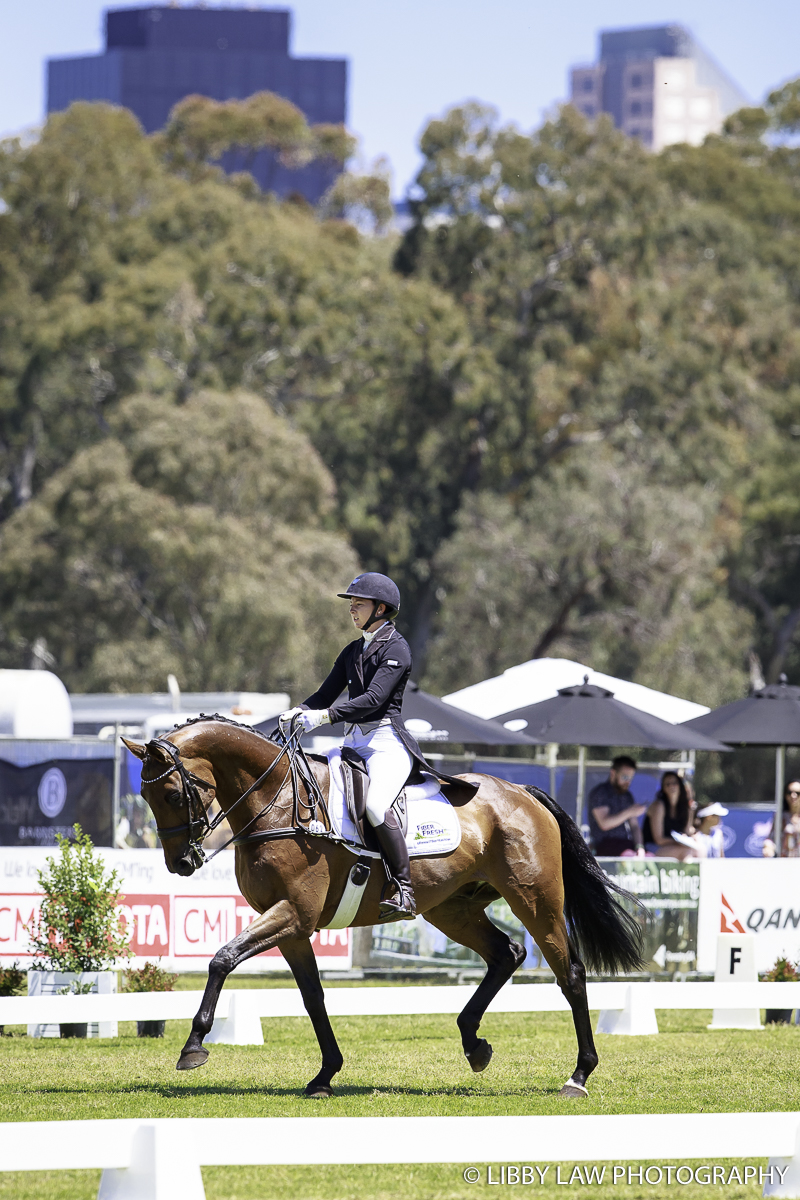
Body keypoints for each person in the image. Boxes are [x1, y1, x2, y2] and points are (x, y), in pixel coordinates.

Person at [279, 573, 476, 919]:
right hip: (354, 742)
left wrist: (322, 718)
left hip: (387, 742)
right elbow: (324, 695)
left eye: (359, 603)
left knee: (374, 804)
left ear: (381, 609)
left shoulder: (397, 648)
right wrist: (299, 711)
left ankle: (404, 888)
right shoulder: (354, 650)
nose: (352, 609)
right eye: (351, 603)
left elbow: (373, 699)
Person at [588, 755, 646, 857]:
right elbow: (604, 824)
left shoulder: (627, 796)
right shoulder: (600, 792)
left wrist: (640, 847)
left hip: (626, 844)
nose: (628, 781)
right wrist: (629, 812)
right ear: (613, 773)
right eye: (625, 777)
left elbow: (634, 826)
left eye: (631, 778)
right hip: (605, 846)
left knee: (650, 859)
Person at [643, 772, 694, 860]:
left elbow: (686, 831)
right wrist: (678, 842)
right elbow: (659, 840)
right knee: (685, 852)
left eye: (674, 783)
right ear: (663, 788)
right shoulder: (659, 806)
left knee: (700, 850)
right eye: (667, 784)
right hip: (652, 847)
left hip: (677, 846)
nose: (671, 786)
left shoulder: (685, 807)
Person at [762, 780, 800, 858]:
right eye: (790, 792)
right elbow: (771, 839)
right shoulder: (780, 817)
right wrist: (768, 847)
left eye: (797, 793)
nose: (793, 796)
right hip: (784, 863)